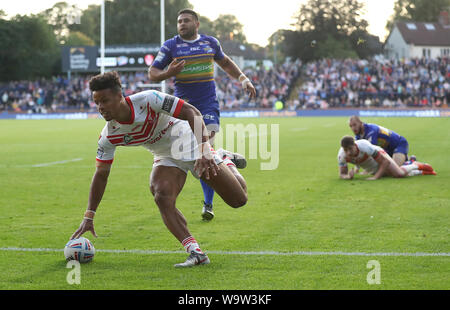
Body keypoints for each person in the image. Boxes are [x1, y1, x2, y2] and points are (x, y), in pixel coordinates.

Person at [69, 71, 248, 267]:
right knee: (161, 195)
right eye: (97, 103)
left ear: (120, 96)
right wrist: (89, 215)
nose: (101, 107)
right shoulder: (108, 136)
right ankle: (196, 253)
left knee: (238, 200)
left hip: (189, 142)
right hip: (164, 155)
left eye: (105, 100)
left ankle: (224, 158)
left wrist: (204, 151)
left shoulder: (148, 99)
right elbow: (101, 175)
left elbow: (192, 112)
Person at [148, 8, 256, 221]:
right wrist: (168, 73)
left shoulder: (210, 43)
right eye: (179, 21)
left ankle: (208, 204)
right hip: (181, 109)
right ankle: (224, 157)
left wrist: (244, 79)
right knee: (191, 154)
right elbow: (152, 73)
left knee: (202, 153)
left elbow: (225, 62)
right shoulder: (170, 46)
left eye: (186, 20)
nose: (182, 24)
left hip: (207, 106)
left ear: (196, 24)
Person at [338, 136, 436, 180]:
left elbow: (385, 162)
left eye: (350, 149)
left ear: (355, 145)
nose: (348, 152)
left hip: (381, 157)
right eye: (346, 150)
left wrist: (375, 178)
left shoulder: (364, 146)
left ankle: (415, 165)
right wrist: (348, 177)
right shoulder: (341, 155)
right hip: (371, 167)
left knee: (399, 174)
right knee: (390, 175)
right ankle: (419, 171)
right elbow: (342, 174)